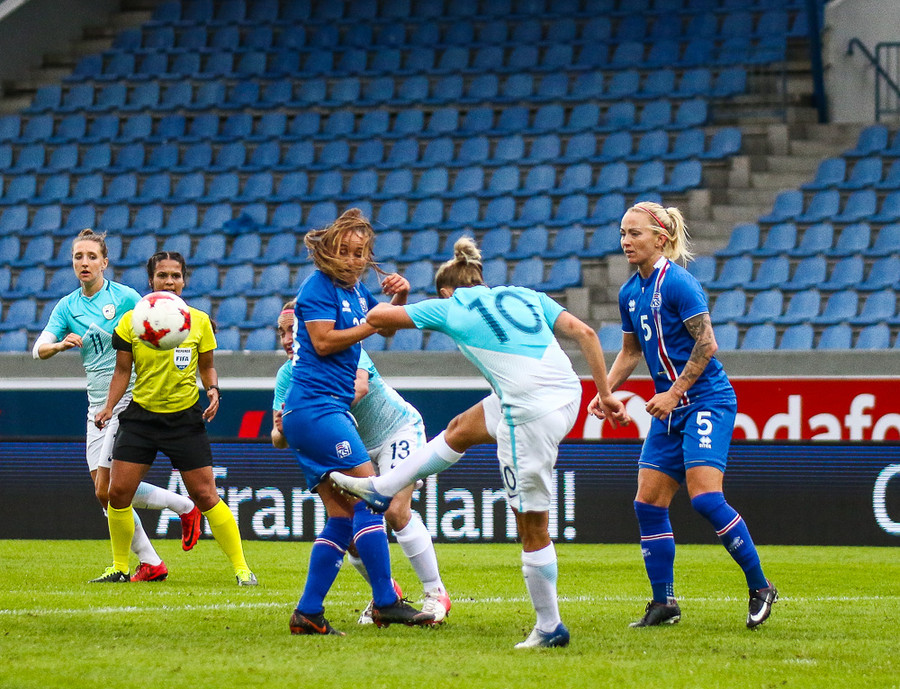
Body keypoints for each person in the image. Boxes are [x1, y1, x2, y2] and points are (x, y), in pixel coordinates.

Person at [331, 236, 630, 649]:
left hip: (528, 412)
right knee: (460, 429)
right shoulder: (525, 294)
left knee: (531, 526)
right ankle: (384, 487)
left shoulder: (451, 306)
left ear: (445, 290)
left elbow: (378, 318)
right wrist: (607, 393)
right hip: (566, 394)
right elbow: (587, 333)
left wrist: (396, 295)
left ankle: (549, 627)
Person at [587, 201, 777, 629]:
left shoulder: (679, 283)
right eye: (622, 233)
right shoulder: (629, 292)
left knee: (706, 498)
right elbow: (631, 351)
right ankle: (664, 603)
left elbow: (707, 344)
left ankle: (761, 586)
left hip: (706, 400)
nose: (625, 241)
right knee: (648, 503)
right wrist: (605, 391)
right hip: (671, 409)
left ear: (661, 238)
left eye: (635, 233)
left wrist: (673, 393)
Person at [280, 208, 434, 636]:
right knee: (373, 498)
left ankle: (308, 613)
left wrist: (398, 300)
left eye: (360, 252)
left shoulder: (356, 291)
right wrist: (372, 323)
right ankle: (386, 602)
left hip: (315, 413)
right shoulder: (316, 288)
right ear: (329, 251)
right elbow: (324, 342)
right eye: (345, 251)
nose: (352, 259)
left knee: (342, 516)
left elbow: (386, 329)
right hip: (317, 410)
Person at [32, 230, 202, 582]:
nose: (84, 262)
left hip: (126, 399)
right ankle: (158, 549)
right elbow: (38, 350)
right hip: (96, 405)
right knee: (105, 493)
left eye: (92, 256)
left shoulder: (125, 297)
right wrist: (60, 345)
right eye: (78, 256)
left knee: (106, 490)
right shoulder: (67, 306)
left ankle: (169, 525)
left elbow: (159, 322)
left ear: (104, 262)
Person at [271, 300, 451, 624]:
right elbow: (277, 439)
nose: (286, 339)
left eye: (292, 331)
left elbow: (360, 387)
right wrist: (283, 428)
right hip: (353, 449)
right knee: (353, 534)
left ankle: (435, 593)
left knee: (394, 510)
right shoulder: (287, 376)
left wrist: (316, 409)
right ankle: (386, 594)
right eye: (281, 332)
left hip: (396, 430)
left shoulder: (346, 350)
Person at [93, 251, 256, 586]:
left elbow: (207, 366)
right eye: (162, 275)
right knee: (117, 493)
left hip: (184, 420)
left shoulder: (198, 321)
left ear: (184, 280)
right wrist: (109, 407)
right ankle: (120, 568)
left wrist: (213, 389)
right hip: (141, 418)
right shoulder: (131, 321)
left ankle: (242, 569)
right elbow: (122, 371)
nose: (169, 281)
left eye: (175, 276)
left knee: (206, 495)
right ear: (151, 279)